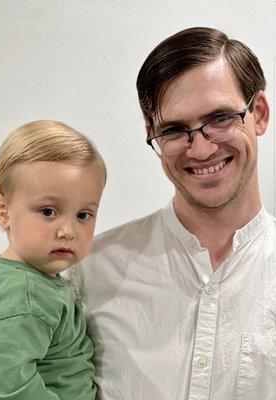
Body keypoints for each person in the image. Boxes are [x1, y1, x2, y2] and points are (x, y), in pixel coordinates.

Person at [69, 27, 276, 400]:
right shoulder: (88, 271)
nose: (199, 150)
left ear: (258, 113)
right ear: (152, 133)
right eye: (174, 130)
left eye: (220, 118)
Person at [0, 120, 106, 399]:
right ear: (4, 211)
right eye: (48, 211)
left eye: (83, 215)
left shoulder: (33, 280)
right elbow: (7, 391)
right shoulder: (21, 295)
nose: (68, 231)